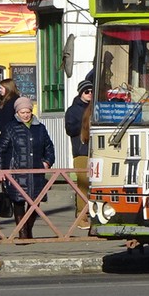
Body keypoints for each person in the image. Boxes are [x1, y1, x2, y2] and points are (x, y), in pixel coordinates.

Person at [0, 96, 55, 241]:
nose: (26, 115)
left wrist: (47, 162)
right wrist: (0, 169)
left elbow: (49, 147)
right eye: (22, 112)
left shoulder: (39, 127)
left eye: (28, 111)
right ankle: (23, 233)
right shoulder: (10, 128)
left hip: (36, 171)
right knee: (19, 201)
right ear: (17, 112)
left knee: (35, 203)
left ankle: (28, 228)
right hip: (16, 171)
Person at [64, 77, 93, 229]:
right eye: (87, 92)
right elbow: (70, 130)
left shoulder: (97, 107)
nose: (90, 94)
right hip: (81, 151)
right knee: (83, 185)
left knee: (96, 185)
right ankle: (82, 216)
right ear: (81, 93)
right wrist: (85, 122)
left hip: (96, 151)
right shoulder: (73, 110)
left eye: (92, 91)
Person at [0, 78, 21, 144]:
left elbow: (7, 118)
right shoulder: (6, 100)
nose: (0, 90)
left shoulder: (11, 101)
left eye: (1, 88)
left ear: (7, 88)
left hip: (8, 134)